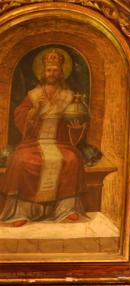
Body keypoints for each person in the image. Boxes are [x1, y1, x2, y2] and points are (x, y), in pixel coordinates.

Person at [0, 48, 87, 227]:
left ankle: (66, 209)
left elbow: (75, 119)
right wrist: (34, 111)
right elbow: (19, 115)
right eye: (49, 70)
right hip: (33, 142)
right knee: (21, 160)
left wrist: (76, 129)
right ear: (43, 72)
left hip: (60, 142)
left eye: (55, 70)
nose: (52, 73)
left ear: (61, 72)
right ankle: (22, 212)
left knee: (72, 159)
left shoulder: (69, 96)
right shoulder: (33, 94)